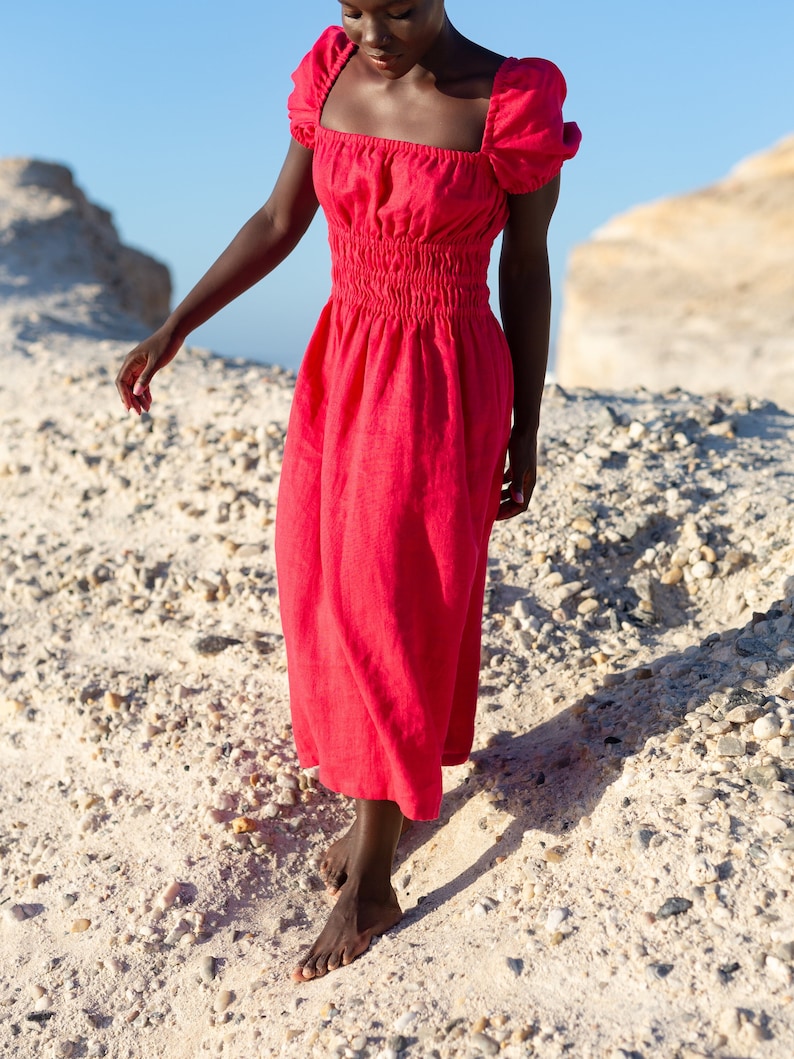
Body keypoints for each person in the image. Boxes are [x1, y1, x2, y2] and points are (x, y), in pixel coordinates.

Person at [115, 0, 580, 982]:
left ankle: (370, 877)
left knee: (386, 603)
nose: (375, 30)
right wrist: (177, 327)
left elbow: (525, 271)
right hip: (343, 358)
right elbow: (280, 219)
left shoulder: (509, 101)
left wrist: (524, 424)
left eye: (400, 9)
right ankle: (390, 798)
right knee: (323, 590)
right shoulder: (330, 69)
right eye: (354, 6)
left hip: (442, 369)